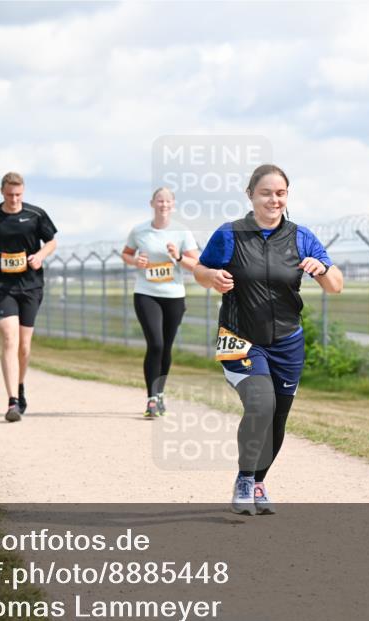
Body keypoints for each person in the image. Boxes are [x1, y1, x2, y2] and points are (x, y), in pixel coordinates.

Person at [194, 164, 343, 516]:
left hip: (288, 342)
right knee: (261, 405)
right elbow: (200, 270)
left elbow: (336, 285)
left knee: (277, 418)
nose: (274, 200)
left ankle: (259, 481)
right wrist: (212, 277)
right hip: (240, 337)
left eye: (280, 193)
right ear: (250, 195)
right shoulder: (230, 234)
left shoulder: (301, 237)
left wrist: (322, 270)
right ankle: (245, 479)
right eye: (266, 193)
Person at [0, 171, 58, 422]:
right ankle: (12, 401)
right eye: (9, 195)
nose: (14, 199)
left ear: (23, 192)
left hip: (30, 286)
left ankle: (20, 385)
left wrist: (40, 256)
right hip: (0, 286)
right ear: (1, 192)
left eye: (18, 195)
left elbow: (52, 242)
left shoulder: (36, 214)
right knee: (9, 339)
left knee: (24, 347)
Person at [121, 187, 200, 418]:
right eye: (159, 200)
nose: (163, 205)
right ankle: (151, 399)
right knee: (155, 344)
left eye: (167, 201)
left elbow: (195, 264)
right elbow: (126, 254)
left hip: (174, 295)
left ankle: (160, 393)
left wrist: (177, 256)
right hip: (146, 293)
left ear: (173, 205)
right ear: (152, 203)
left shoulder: (182, 232)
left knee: (166, 346)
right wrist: (136, 261)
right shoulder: (139, 230)